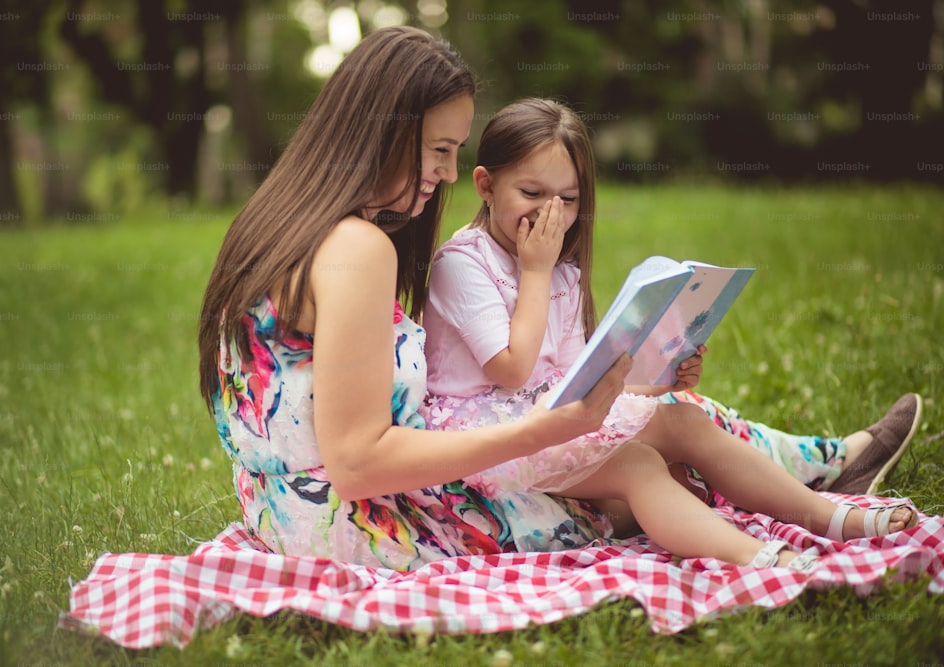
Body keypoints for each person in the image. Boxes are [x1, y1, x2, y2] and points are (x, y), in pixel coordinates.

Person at [198, 27, 919, 573]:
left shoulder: (282, 223)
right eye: (439, 149)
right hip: (360, 523)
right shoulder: (357, 248)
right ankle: (802, 516)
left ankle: (821, 484)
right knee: (641, 462)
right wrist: (550, 429)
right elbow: (359, 463)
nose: (446, 174)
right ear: (382, 129)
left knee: (658, 428)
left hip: (291, 511)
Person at [419, 97, 918, 566]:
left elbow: (572, 382)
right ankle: (760, 559)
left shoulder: (560, 273)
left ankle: (830, 517)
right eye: (532, 194)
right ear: (485, 185)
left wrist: (661, 377)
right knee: (638, 466)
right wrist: (535, 272)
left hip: (546, 419)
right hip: (486, 442)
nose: (552, 213)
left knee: (687, 423)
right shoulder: (463, 264)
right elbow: (512, 371)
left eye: (568, 199)